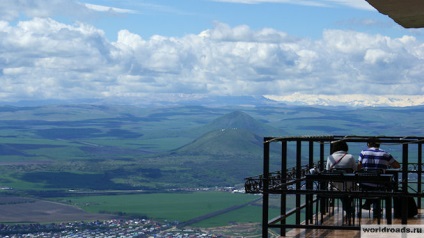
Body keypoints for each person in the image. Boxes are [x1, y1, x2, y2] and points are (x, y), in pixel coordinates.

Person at [357, 137, 400, 217]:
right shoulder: (385, 154)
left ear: (368, 144)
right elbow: (397, 166)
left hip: (364, 185)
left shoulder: (363, 152)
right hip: (379, 185)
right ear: (379, 144)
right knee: (379, 186)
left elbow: (358, 167)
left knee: (371, 185)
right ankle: (376, 210)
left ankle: (368, 203)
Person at [325, 140, 357, 215]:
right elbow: (355, 170)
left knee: (341, 191)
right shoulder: (350, 157)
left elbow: (327, 171)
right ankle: (348, 207)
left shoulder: (330, 157)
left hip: (334, 186)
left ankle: (347, 208)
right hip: (349, 186)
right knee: (347, 191)